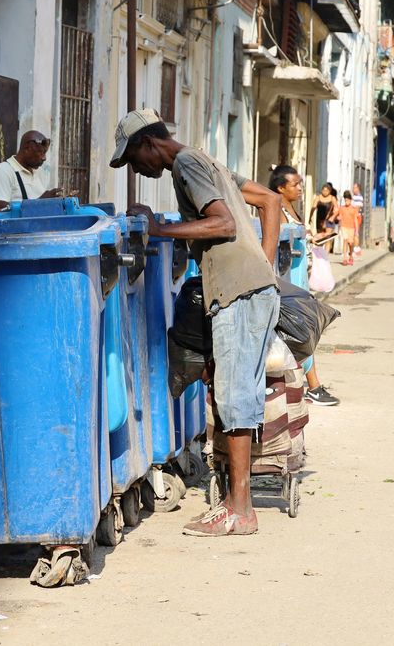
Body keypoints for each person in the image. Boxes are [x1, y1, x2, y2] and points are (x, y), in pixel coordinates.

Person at [112, 109, 279, 536]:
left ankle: (240, 511)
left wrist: (158, 230)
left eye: (134, 159)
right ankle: (234, 503)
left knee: (234, 398)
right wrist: (265, 262)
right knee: (234, 394)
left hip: (238, 292)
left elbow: (222, 223)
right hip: (251, 286)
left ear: (150, 144)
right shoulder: (206, 159)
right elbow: (271, 201)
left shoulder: (185, 164)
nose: (136, 169)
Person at [269, 165, 339, 407]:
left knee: (302, 328)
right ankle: (314, 385)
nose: (300, 188)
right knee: (301, 329)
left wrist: (310, 236)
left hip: (298, 275)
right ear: (280, 187)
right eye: (295, 184)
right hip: (288, 276)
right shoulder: (274, 207)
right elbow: (276, 239)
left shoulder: (289, 207)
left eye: (300, 183)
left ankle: (303, 384)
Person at [0, 130, 64, 211]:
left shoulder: (40, 172)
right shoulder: (4, 171)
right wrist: (40, 202)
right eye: (40, 153)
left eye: (45, 153)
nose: (44, 158)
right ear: (27, 149)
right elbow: (0, 209)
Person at [335, 191, 360, 266]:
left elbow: (355, 219)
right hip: (344, 227)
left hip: (351, 228)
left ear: (350, 200)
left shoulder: (354, 209)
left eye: (348, 200)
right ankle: (345, 258)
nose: (346, 202)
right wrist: (337, 218)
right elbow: (340, 216)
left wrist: (357, 230)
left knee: (351, 243)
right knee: (345, 240)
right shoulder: (342, 208)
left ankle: (351, 256)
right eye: (345, 200)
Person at [350, 183, 365, 257]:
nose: (353, 189)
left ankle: (356, 250)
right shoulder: (354, 197)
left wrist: (354, 217)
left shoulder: (359, 197)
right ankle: (354, 249)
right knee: (352, 233)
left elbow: (357, 209)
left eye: (355, 188)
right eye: (353, 188)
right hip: (352, 216)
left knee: (355, 233)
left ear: (358, 189)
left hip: (356, 217)